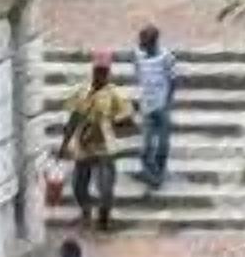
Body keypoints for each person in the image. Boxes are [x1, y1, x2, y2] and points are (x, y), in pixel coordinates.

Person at [58, 53, 136, 231]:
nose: (101, 74)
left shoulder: (116, 95)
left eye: (104, 71)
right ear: (93, 71)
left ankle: (103, 219)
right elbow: (73, 118)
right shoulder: (82, 92)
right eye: (98, 71)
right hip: (84, 146)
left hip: (105, 147)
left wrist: (118, 122)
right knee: (79, 187)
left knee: (106, 188)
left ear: (109, 73)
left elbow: (128, 120)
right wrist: (64, 144)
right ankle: (86, 211)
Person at [134, 24, 178, 195]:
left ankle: (158, 173)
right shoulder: (138, 56)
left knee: (163, 144)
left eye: (143, 41)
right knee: (146, 146)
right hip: (147, 105)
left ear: (152, 42)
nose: (140, 43)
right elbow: (139, 75)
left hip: (162, 106)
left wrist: (167, 100)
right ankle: (152, 176)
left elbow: (174, 79)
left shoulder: (167, 57)